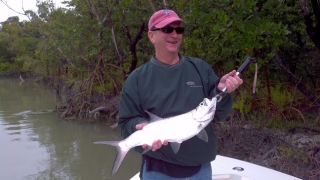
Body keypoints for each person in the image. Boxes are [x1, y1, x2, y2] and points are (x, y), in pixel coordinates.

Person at [118, 9, 243, 180]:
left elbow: (219, 114)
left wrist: (223, 91)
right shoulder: (137, 79)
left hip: (200, 170)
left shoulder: (200, 68)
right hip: (156, 171)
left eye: (179, 29)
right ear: (151, 36)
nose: (174, 34)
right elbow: (126, 122)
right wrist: (140, 125)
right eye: (167, 29)